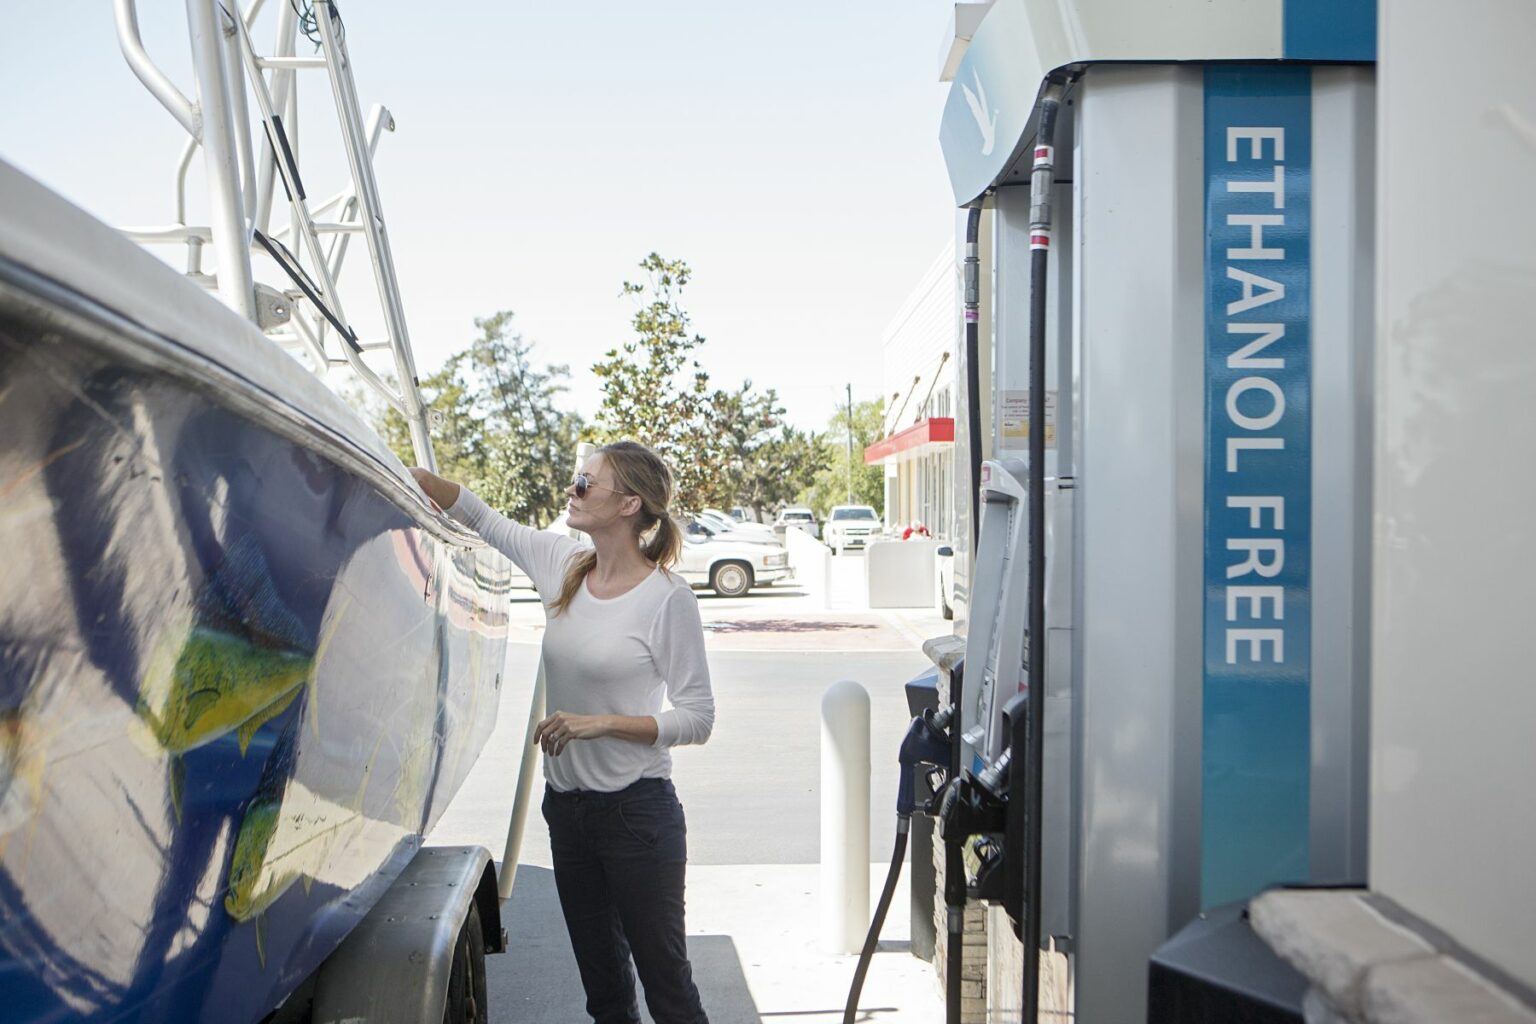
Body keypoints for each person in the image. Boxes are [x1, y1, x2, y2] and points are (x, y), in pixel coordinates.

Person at [411, 441, 714, 1024]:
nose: (571, 492)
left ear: (628, 504)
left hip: (638, 816)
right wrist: (404, 475)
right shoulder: (564, 565)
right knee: (604, 993)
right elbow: (478, 515)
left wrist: (600, 724)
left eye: (584, 484)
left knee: (668, 989)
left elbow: (698, 717)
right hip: (569, 814)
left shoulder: (667, 599)